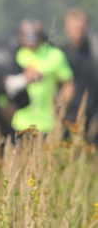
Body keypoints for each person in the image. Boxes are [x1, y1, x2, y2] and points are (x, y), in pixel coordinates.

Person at [9, 18, 74, 133]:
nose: (30, 40)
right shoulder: (13, 55)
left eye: (34, 35)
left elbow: (68, 84)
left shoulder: (54, 55)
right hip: (19, 123)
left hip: (46, 125)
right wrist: (25, 79)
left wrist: (60, 106)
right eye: (26, 35)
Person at [60, 9, 98, 139]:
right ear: (67, 28)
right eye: (73, 28)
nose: (77, 31)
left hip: (93, 115)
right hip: (68, 116)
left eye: (80, 28)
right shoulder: (61, 54)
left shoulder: (93, 53)